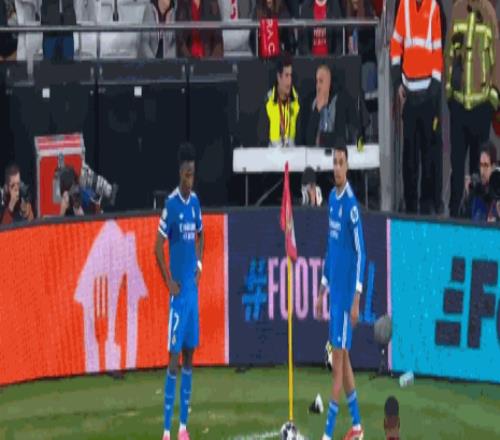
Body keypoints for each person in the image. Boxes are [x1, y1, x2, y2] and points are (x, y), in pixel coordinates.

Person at [315, 136, 366, 440]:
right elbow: (331, 247)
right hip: (335, 296)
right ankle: (357, 426)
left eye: (341, 163)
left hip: (346, 298)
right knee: (343, 362)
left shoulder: (351, 207)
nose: (336, 167)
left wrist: (356, 298)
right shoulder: (332, 200)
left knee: (337, 364)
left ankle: (328, 434)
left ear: (348, 166)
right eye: (334, 162)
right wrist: (322, 287)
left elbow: (362, 253)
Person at [155, 142, 204, 440]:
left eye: (193, 174)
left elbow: (201, 234)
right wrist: (168, 282)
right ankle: (166, 430)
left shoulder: (195, 202)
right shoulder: (171, 205)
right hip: (178, 296)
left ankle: (183, 427)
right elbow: (156, 248)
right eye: (187, 174)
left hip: (192, 295)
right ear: (179, 173)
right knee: (173, 360)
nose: (190, 179)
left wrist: (199, 263)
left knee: (189, 356)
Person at [445, 0, 499, 217]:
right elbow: (449, 55)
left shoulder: (488, 13)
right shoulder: (457, 9)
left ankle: (477, 218)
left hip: (480, 108)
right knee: (457, 168)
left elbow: (497, 61)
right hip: (459, 107)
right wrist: (450, 95)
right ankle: (454, 216)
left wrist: (491, 101)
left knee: (479, 171)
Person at [390, 0, 443, 214]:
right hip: (410, 97)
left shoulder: (433, 7)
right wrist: (397, 81)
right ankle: (411, 207)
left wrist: (434, 88)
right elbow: (395, 44)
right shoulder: (404, 6)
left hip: (427, 96)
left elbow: (437, 49)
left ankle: (426, 205)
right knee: (409, 158)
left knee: (428, 155)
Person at [305, 65, 363, 148]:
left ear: (329, 83)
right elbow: (309, 140)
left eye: (321, 81)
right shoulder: (313, 104)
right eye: (317, 81)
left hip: (340, 153)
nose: (318, 86)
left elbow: (342, 137)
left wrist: (320, 139)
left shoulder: (342, 101)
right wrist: (317, 110)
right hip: (317, 154)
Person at [257, 54, 301, 147]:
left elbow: (301, 137)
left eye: (291, 75)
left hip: (293, 153)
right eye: (286, 75)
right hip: (272, 153)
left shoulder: (297, 101)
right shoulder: (268, 102)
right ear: (279, 77)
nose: (289, 80)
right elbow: (262, 138)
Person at [463, 143, 498, 220]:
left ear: (493, 167)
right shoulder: (476, 190)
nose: (483, 171)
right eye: (481, 165)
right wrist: (467, 196)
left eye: (486, 165)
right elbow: (464, 221)